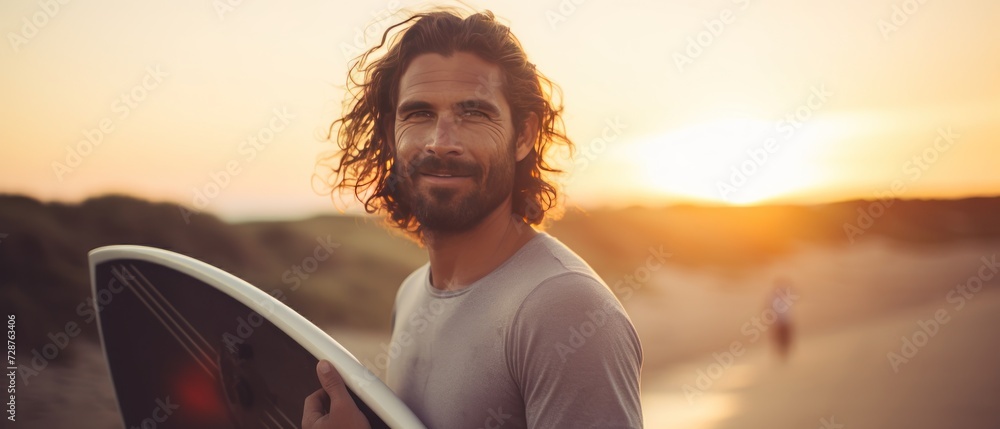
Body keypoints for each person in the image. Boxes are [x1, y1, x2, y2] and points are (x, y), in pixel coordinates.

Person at [303, 9, 643, 429]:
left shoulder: (565, 310)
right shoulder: (411, 295)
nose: (441, 143)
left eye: (474, 114)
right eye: (419, 113)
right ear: (391, 134)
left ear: (522, 136)